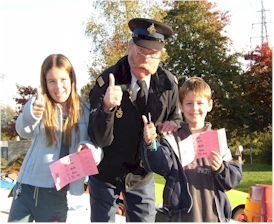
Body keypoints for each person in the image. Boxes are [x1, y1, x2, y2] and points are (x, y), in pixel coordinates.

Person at [87, 18, 182, 222]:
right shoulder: (107, 81)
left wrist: (173, 124)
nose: (145, 59)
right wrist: (106, 108)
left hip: (141, 175)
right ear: (130, 46)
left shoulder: (169, 85)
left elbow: (175, 115)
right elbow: (98, 138)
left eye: (153, 54)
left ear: (161, 55)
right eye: (140, 51)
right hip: (106, 172)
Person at [8, 54, 103, 222]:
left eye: (63, 79)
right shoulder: (39, 104)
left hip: (57, 195)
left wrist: (89, 149)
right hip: (26, 190)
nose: (58, 87)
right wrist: (31, 115)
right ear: (45, 83)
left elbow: (98, 148)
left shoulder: (86, 111)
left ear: (72, 79)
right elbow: (23, 130)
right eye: (51, 81)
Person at [140, 77, 243, 222]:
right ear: (181, 106)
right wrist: (150, 143)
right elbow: (160, 165)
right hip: (182, 217)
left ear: (209, 105)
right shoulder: (172, 139)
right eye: (189, 103)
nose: (194, 108)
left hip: (214, 216)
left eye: (200, 103)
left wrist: (220, 168)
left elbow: (232, 180)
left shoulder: (217, 140)